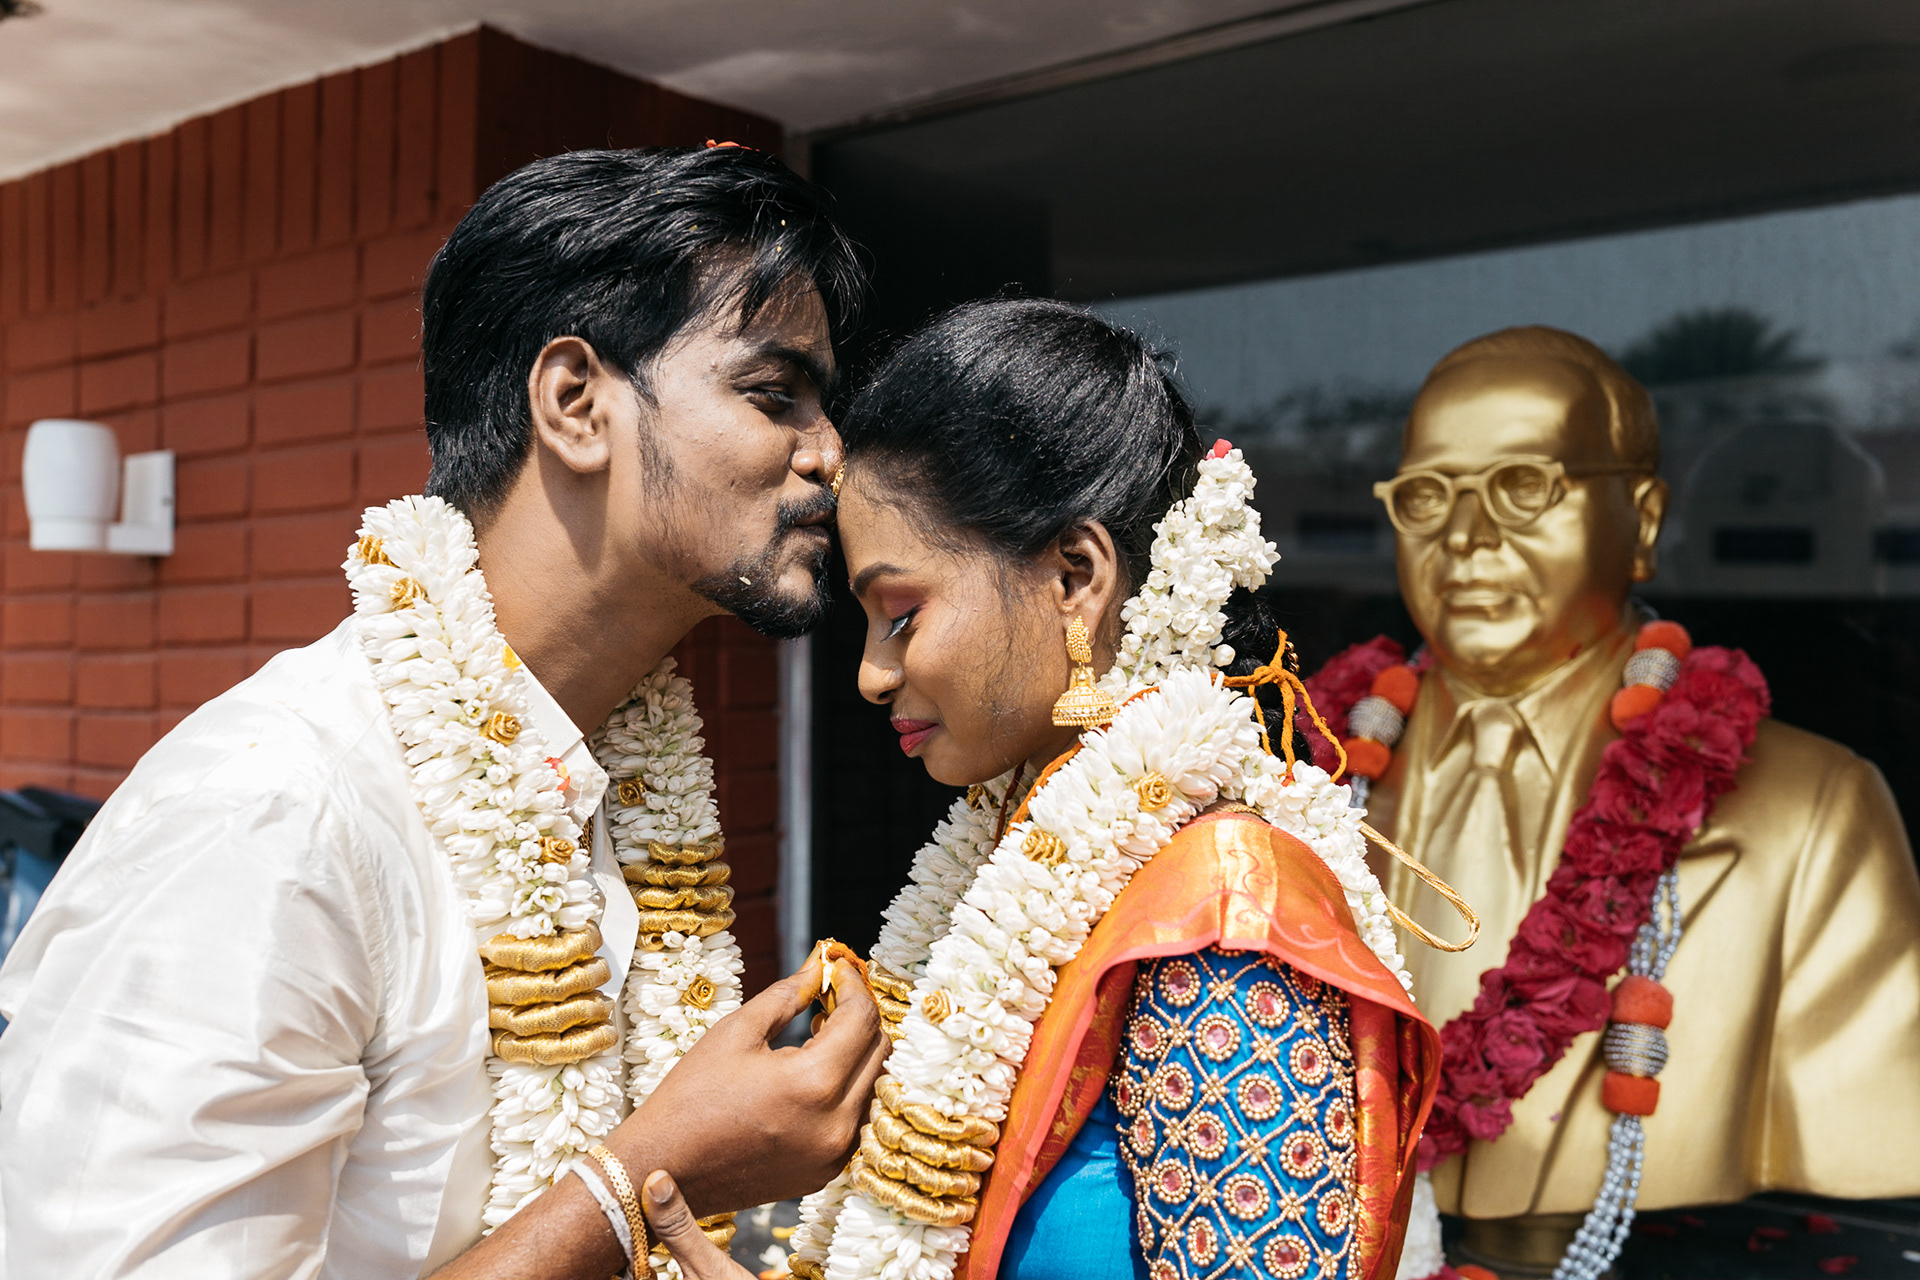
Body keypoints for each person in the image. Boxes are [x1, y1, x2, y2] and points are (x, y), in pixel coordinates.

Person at [0, 146, 887, 1280]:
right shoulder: (276, 810)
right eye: (776, 395)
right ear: (575, 402)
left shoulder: (611, 781)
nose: (832, 454)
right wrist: (644, 1177)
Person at [769, 299, 1442, 1280]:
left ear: (1075, 575)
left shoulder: (1225, 926)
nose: (872, 673)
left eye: (902, 613)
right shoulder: (1031, 855)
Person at [1311, 325, 1920, 1277]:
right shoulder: (1300, 792)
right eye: (1428, 497)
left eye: (1523, 487)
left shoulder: (1813, 812)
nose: (1466, 538)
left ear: (1640, 522)